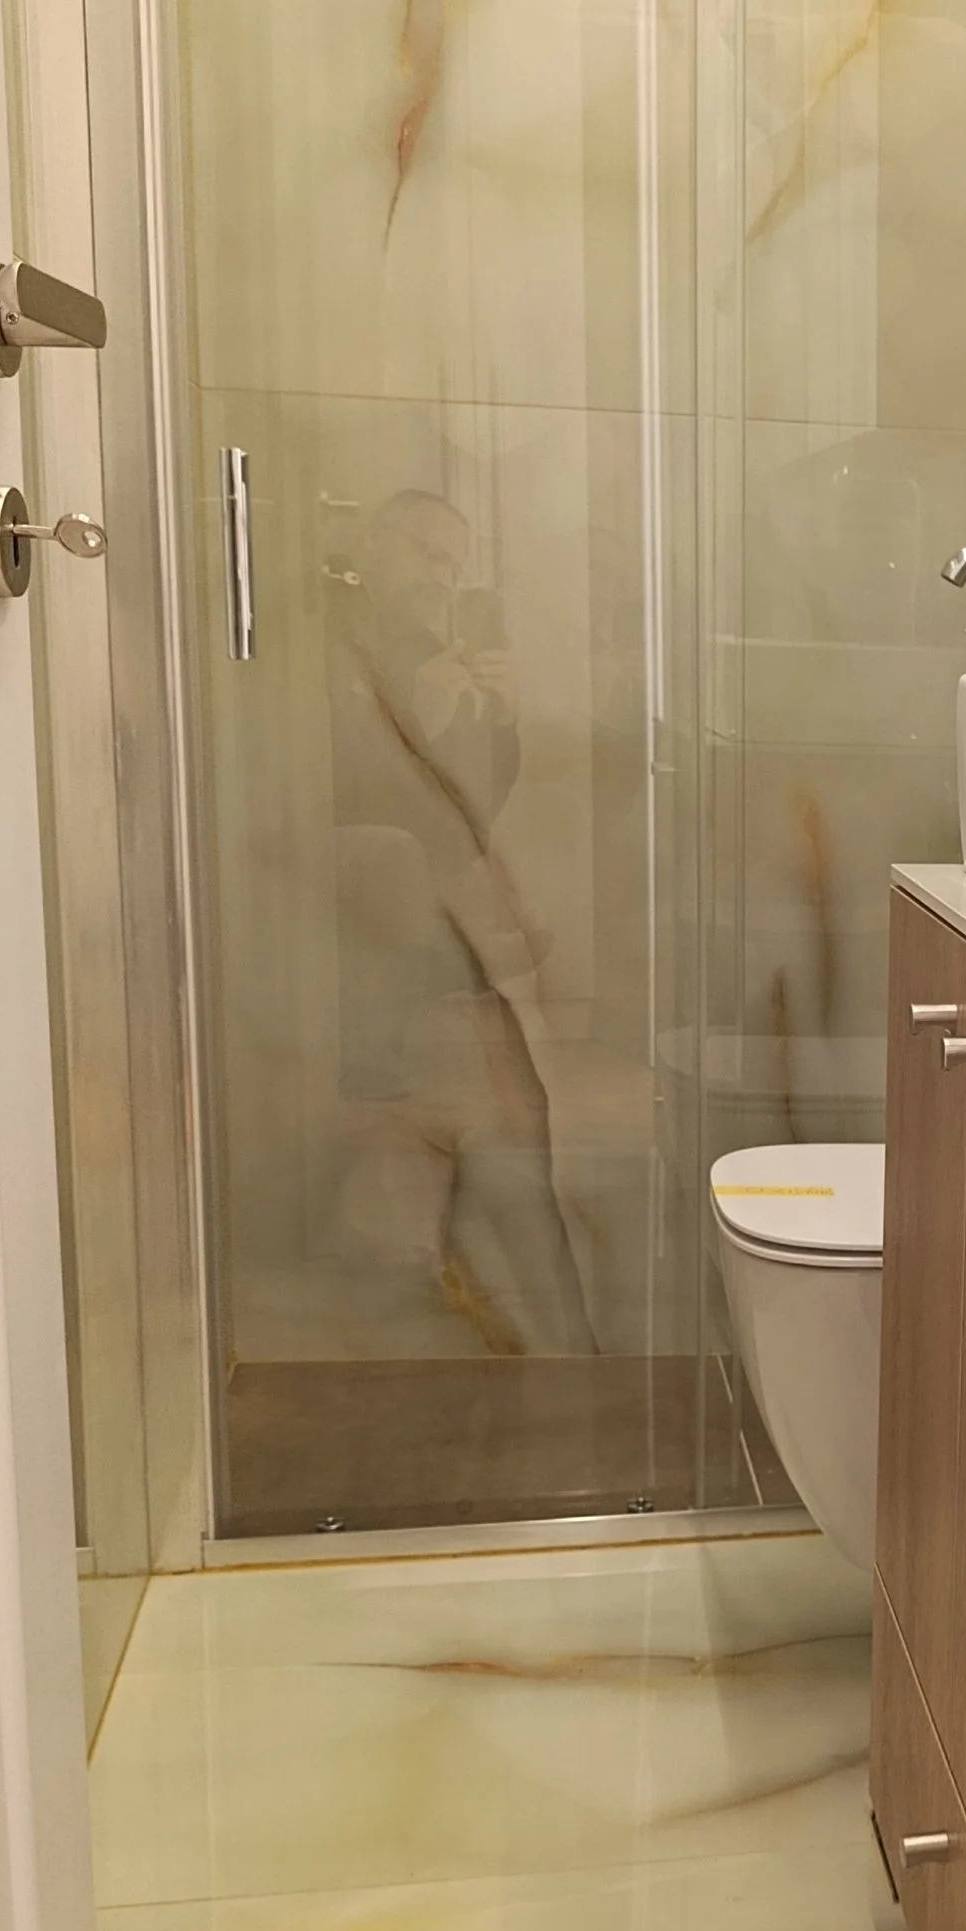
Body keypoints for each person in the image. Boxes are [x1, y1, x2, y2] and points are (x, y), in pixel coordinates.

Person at [325, 487, 594, 1355]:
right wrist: (427, 721)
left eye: (452, 561)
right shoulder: (335, 640)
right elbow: (331, 785)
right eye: (425, 551)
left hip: (426, 906)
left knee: (492, 1089)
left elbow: (472, 802)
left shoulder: (434, 649)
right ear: (373, 542)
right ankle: (516, 1307)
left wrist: (499, 721)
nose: (439, 575)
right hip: (348, 910)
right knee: (479, 1094)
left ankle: (462, 1278)